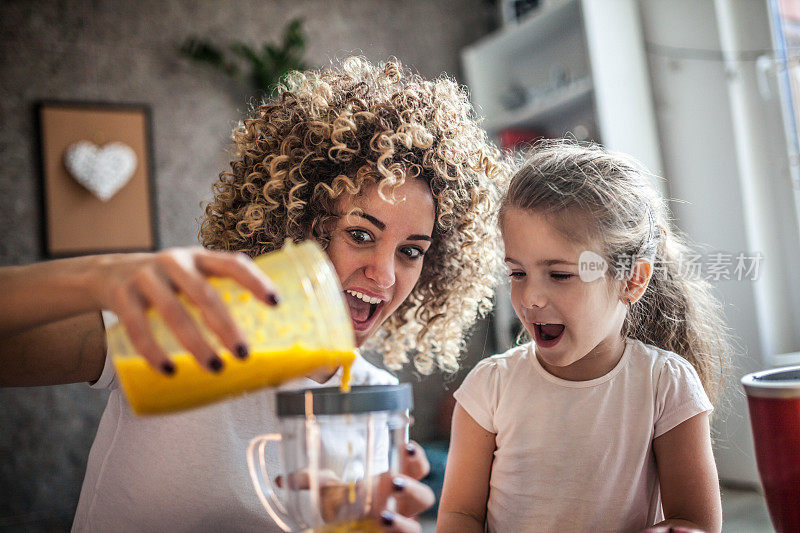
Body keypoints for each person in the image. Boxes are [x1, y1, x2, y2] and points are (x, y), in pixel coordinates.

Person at [0, 56, 509, 532]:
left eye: (411, 251)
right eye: (360, 234)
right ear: (299, 227)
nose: (384, 275)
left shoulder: (373, 401)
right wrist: (100, 277)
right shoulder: (191, 327)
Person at [437, 139, 729, 533]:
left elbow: (695, 522)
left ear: (632, 279)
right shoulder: (489, 389)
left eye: (559, 275)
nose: (530, 297)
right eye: (517, 273)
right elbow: (460, 515)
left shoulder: (665, 383)